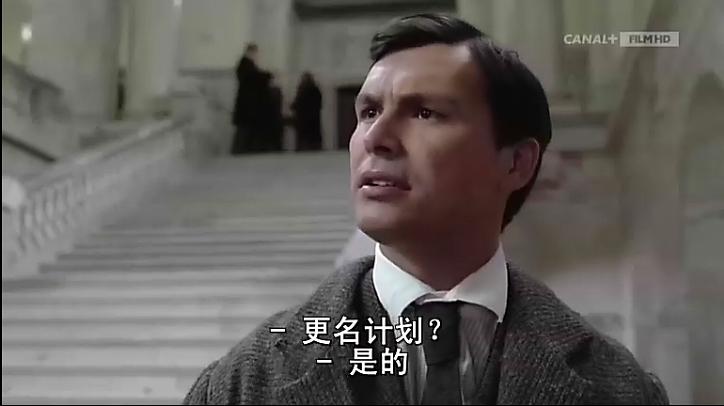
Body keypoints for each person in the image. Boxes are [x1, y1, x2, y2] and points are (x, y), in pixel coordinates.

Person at [184, 14, 669, 405]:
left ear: (516, 162)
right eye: (368, 112)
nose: (375, 138)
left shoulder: (621, 389)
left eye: (424, 113)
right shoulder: (240, 386)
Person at [231, 43, 267, 155]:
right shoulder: (246, 65)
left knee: (243, 131)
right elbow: (254, 78)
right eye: (254, 52)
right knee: (244, 132)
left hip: (245, 107)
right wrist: (267, 75)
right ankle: (239, 152)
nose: (256, 55)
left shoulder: (244, 64)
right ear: (250, 52)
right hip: (247, 107)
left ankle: (239, 151)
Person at [291, 72, 323, 151]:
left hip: (305, 124)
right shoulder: (315, 91)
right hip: (311, 124)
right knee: (311, 142)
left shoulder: (303, 91)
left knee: (306, 141)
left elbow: (296, 105)